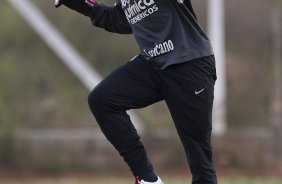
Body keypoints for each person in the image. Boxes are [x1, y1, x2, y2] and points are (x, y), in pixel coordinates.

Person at [55, 0, 218, 183]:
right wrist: (80, 4)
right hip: (152, 65)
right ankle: (147, 178)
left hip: (189, 63)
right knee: (102, 100)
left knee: (200, 159)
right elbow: (119, 20)